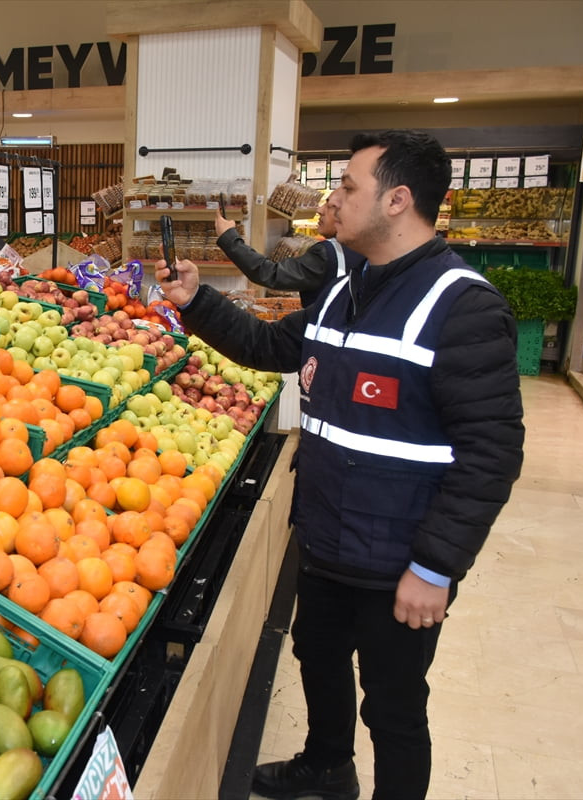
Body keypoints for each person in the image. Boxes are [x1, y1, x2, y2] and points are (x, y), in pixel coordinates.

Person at [156, 130, 524, 800]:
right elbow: (270, 345)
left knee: (393, 707)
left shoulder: (462, 307)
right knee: (316, 658)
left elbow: (493, 453)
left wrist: (435, 567)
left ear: (397, 200)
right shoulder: (342, 287)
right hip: (326, 536)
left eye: (349, 186)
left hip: (400, 561)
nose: (333, 200)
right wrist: (194, 303)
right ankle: (326, 766)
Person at [215, 191, 365, 307]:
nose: (320, 209)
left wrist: (229, 238)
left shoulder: (328, 253)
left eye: (329, 205)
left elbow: (270, 274)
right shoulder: (369, 249)